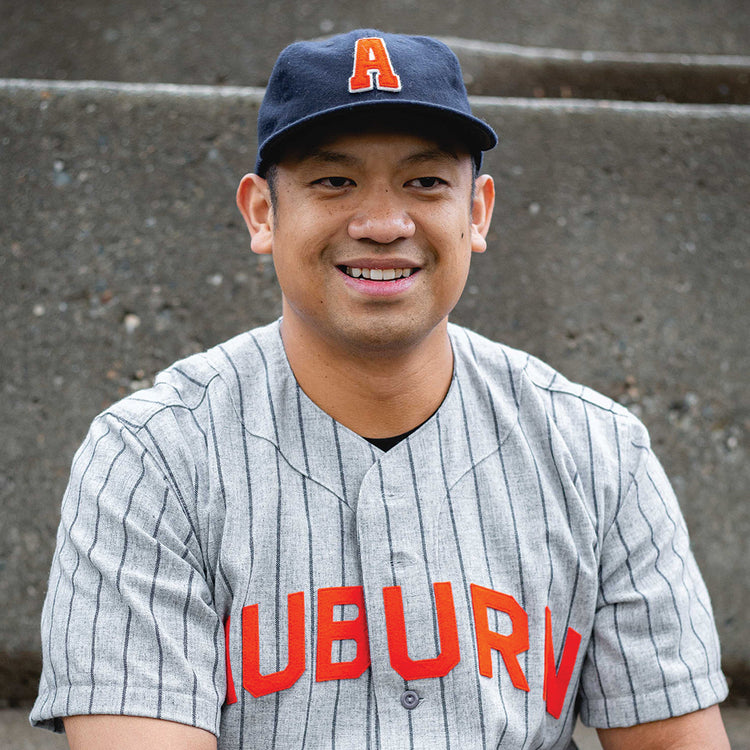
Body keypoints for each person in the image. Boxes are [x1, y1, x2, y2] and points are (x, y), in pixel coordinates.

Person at [31, 29, 730, 749]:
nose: (383, 224)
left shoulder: (598, 449)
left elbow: (675, 740)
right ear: (263, 213)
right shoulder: (150, 458)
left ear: (478, 211)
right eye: (334, 181)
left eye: (425, 182)